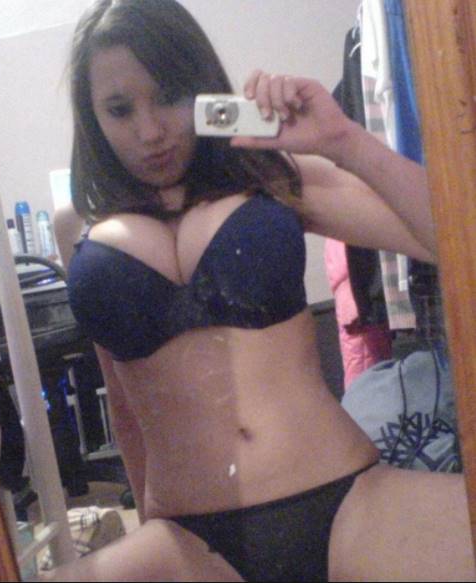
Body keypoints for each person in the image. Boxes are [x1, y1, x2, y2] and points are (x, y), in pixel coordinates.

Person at [48, 0, 476, 580]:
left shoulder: (269, 175)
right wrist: (148, 520)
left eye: (168, 96)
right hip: (187, 540)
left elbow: (460, 239)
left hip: (345, 504)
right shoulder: (77, 226)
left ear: (200, 87)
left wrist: (342, 139)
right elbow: (125, 404)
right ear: (91, 115)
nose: (150, 132)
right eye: (120, 109)